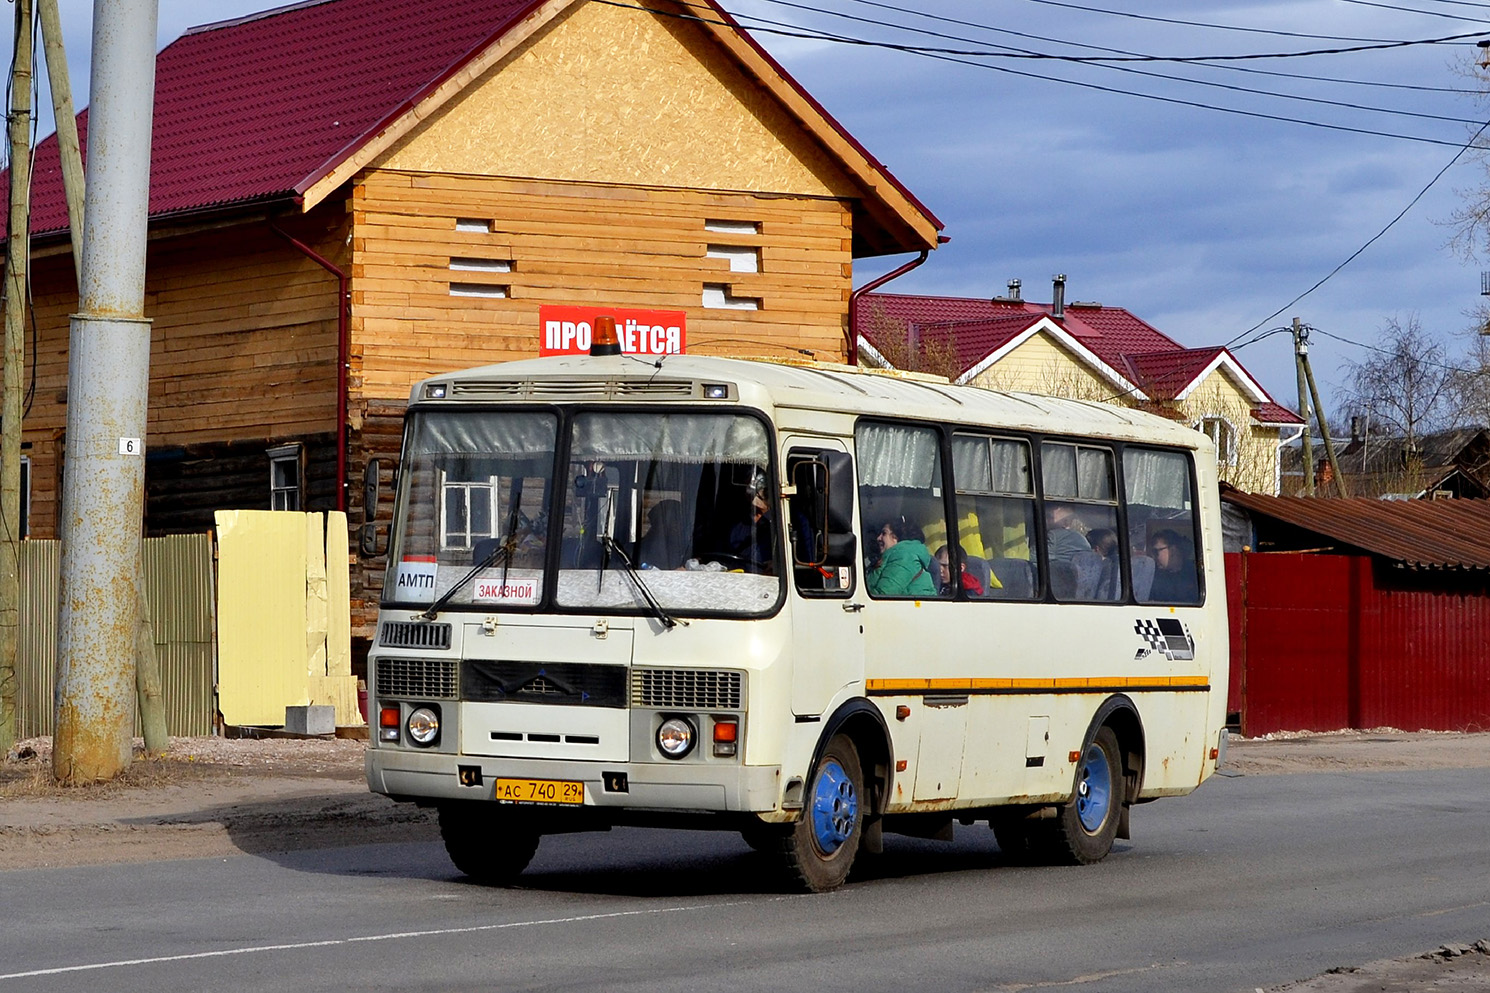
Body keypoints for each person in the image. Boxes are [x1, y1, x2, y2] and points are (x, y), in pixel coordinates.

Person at [867, 517, 938, 597]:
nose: (878, 538)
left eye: (884, 533)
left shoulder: (905, 557)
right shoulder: (894, 556)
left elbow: (884, 593)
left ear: (896, 537)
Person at [1147, 528, 1199, 603]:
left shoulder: (1196, 575)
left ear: (1173, 550)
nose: (1153, 557)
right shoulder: (1153, 576)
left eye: (1156, 552)